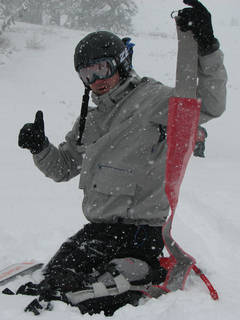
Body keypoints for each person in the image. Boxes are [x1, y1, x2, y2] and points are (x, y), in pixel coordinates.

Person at [17, 0, 227, 316]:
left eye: (101, 68)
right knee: (55, 282)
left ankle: (145, 276)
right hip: (98, 231)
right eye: (87, 75)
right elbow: (64, 167)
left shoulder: (151, 99)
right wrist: (40, 148)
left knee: (90, 297)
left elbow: (209, 104)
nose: (96, 80)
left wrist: (207, 47)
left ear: (121, 63)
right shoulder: (90, 119)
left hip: (141, 233)